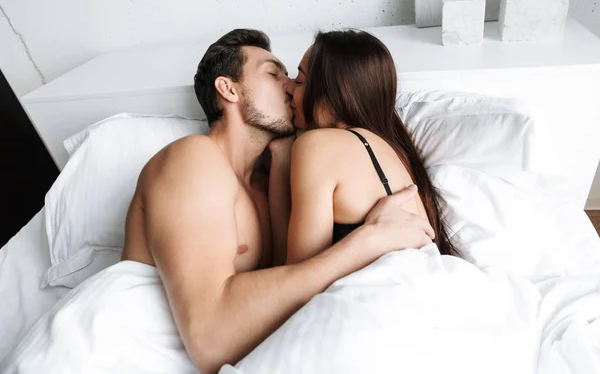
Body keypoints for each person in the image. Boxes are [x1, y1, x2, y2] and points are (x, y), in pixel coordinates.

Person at [120, 29, 436, 373]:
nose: (290, 86)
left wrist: (282, 162)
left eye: (291, 77)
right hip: (123, 354)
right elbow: (210, 340)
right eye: (274, 73)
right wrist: (368, 240)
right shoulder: (192, 158)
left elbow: (283, 290)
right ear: (229, 89)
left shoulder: (262, 185)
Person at [268, 29, 461, 267]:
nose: (288, 88)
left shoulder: (316, 145)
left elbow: (295, 274)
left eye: (299, 81)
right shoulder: (394, 149)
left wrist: (280, 160)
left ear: (334, 92)